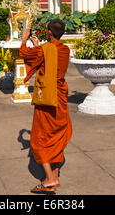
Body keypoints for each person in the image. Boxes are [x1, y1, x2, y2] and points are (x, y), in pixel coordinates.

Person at [20, 19, 72, 194]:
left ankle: (50, 179)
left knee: (40, 137)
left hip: (47, 99)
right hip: (60, 97)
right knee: (56, 136)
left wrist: (24, 39)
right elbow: (50, 56)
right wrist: (39, 45)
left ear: (49, 32)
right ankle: (54, 174)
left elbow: (25, 54)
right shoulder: (65, 49)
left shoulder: (44, 50)